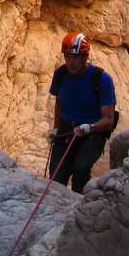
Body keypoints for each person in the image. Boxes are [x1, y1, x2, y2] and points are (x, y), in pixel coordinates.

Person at [47, 31, 116, 192]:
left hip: (93, 133)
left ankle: (79, 200)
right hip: (67, 129)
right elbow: (59, 102)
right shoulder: (61, 74)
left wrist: (90, 127)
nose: (71, 62)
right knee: (56, 177)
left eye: (76, 57)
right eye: (68, 56)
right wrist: (56, 128)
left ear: (85, 57)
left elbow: (108, 119)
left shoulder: (101, 79)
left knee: (81, 168)